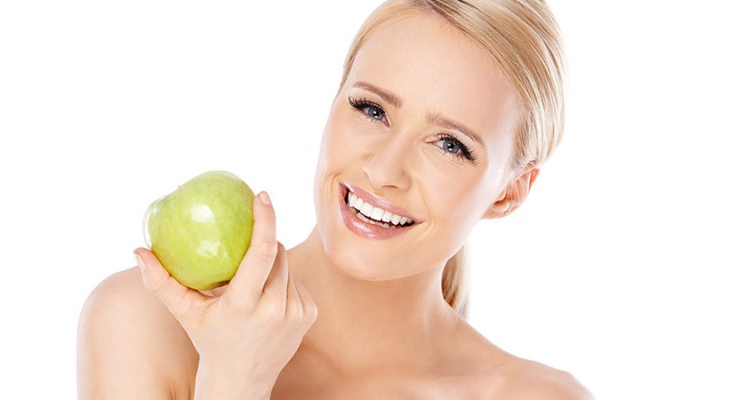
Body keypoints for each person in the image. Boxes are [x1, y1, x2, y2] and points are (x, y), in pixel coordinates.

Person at [77, 0, 593, 398]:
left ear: (510, 191)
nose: (384, 170)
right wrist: (232, 382)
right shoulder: (145, 324)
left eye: (450, 145)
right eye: (371, 110)